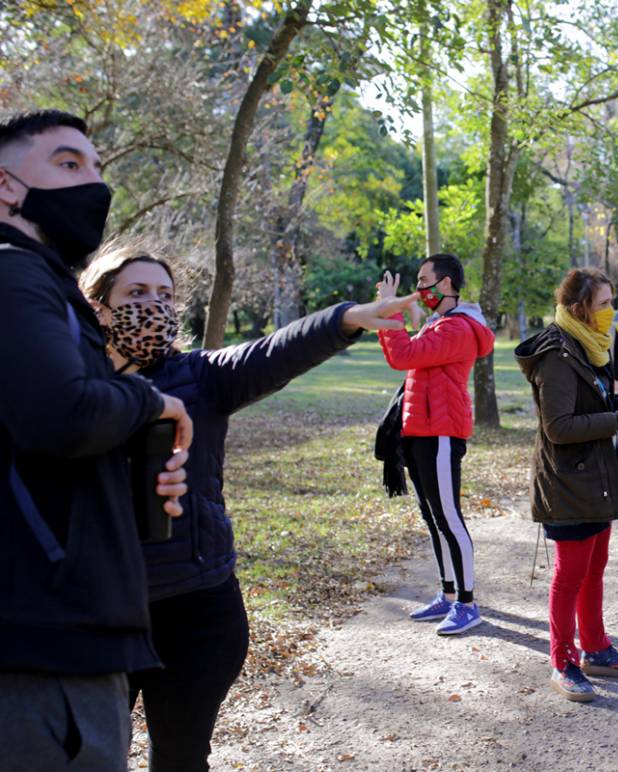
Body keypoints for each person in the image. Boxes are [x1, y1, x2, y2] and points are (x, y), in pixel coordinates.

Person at [80, 239, 418, 772]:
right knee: (91, 758)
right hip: (92, 613)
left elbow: (272, 352)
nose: (154, 305)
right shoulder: (63, 390)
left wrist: (349, 317)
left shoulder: (202, 378)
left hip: (197, 610)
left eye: (165, 295)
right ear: (95, 304)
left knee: (182, 757)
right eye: (136, 292)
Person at [0, 111, 191, 771]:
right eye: (68, 164)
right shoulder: (14, 275)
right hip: (45, 644)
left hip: (70, 634)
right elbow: (63, 416)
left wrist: (139, 465)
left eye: (98, 167)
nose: (96, 185)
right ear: (6, 187)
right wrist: (149, 401)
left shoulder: (45, 285)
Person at [515, 267, 618, 702]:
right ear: (579, 309)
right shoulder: (557, 352)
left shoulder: (589, 346)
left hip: (597, 478)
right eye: (603, 304)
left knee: (595, 568)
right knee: (570, 575)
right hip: (567, 483)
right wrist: (616, 422)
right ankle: (563, 660)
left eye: (611, 301)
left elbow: (592, 397)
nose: (610, 312)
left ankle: (595, 648)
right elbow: (558, 425)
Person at [376, 254, 495, 635]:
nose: (419, 287)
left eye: (424, 279)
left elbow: (402, 355)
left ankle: (467, 603)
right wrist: (402, 317)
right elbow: (414, 356)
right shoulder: (438, 324)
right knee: (432, 518)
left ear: (445, 283)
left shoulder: (458, 328)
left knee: (449, 517)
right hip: (420, 432)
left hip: (442, 433)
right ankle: (447, 594)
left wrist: (389, 311)